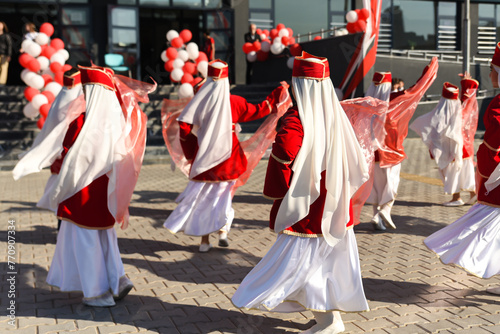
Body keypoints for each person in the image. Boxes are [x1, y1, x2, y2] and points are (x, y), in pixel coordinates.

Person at [232, 52, 370, 333]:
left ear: (299, 84)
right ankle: (331, 319)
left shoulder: (298, 116)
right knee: (326, 262)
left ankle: (328, 322)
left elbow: (284, 149)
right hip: (333, 199)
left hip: (309, 206)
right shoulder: (335, 112)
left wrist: (281, 185)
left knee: (301, 265)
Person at [41, 64, 155, 307]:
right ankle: (118, 280)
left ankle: (97, 292)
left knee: (86, 240)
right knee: (106, 236)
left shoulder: (81, 121)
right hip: (107, 190)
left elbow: (63, 145)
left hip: (81, 190)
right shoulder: (120, 120)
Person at [163, 60, 285, 253]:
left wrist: (192, 152)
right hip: (229, 159)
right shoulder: (234, 101)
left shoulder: (199, 101)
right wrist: (277, 95)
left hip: (205, 159)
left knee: (204, 199)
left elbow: (184, 127)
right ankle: (222, 231)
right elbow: (258, 110)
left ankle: (204, 241)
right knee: (224, 197)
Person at [424, 42, 500, 295]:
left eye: (492, 69)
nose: (490, 74)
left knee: (485, 232)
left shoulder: (499, 104)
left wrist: (485, 166)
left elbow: (493, 146)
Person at [13, 68, 85, 232]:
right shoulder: (76, 100)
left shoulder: (63, 97)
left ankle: (65, 228)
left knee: (64, 194)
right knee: (66, 193)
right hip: (67, 154)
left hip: (63, 154)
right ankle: (65, 229)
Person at [410, 77, 478, 206]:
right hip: (463, 149)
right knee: (464, 172)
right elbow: (468, 98)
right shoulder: (461, 110)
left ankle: (456, 198)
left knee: (452, 173)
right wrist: (466, 82)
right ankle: (473, 194)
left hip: (449, 152)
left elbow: (432, 128)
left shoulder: (440, 112)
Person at [364, 72, 400, 230]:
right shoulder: (392, 102)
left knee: (376, 186)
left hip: (371, 153)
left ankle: (375, 216)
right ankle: (386, 210)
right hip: (390, 151)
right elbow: (413, 92)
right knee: (391, 182)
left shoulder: (366, 104)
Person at [0, 21, 12, 86]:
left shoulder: (6, 35)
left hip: (3, 54)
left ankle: (1, 83)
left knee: (3, 68)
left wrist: (9, 55)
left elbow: (9, 45)